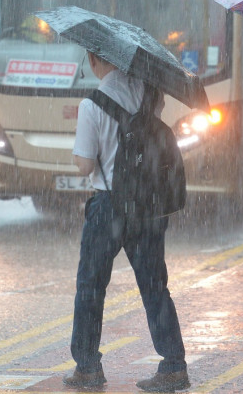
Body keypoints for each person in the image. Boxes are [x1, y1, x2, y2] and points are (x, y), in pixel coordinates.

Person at [63, 50, 190, 392]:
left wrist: (77, 153)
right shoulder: (148, 93)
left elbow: (85, 166)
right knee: (154, 287)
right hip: (148, 205)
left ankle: (87, 366)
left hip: (108, 204)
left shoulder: (92, 104)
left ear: (94, 58)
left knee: (91, 287)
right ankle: (174, 365)